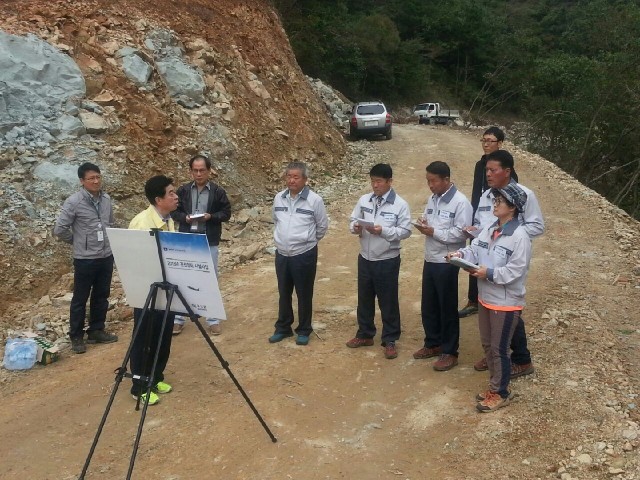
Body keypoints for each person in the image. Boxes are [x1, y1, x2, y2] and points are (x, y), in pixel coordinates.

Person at [448, 184, 532, 412]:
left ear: (513, 207)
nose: (495, 205)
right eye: (494, 201)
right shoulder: (489, 229)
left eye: (500, 202)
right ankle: (495, 386)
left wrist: (489, 273)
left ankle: (501, 392)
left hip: (505, 302)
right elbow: (475, 248)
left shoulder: (519, 236)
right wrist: (460, 255)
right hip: (486, 298)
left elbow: (516, 271)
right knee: (487, 345)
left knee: (499, 348)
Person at [465, 149, 544, 378]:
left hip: (508, 258)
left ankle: (521, 359)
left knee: (508, 307)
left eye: (493, 170)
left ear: (507, 171)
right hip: (486, 256)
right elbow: (482, 223)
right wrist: (481, 232)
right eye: (487, 170)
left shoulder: (524, 195)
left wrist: (509, 234)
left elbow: (537, 226)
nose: (488, 174)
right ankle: (494, 355)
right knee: (490, 306)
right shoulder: (487, 195)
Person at [346, 163, 412, 359]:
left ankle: (390, 339)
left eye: (379, 182)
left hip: (387, 259)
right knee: (364, 297)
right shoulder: (364, 200)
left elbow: (406, 231)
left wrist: (383, 231)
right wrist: (355, 227)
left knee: (388, 300)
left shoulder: (400, 204)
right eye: (373, 181)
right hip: (365, 257)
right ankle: (365, 333)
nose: (375, 186)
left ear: (389, 182)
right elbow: (352, 220)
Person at [413, 161, 472, 371]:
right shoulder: (433, 198)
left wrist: (434, 232)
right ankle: (433, 343)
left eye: (433, 181)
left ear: (446, 180)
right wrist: (424, 222)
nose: (430, 185)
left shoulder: (460, 202)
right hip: (430, 258)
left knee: (447, 306)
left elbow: (463, 233)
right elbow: (431, 219)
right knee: (429, 304)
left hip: (447, 260)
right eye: (428, 181)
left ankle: (450, 351)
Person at [54, 162, 118, 354]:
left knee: (101, 295)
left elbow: (111, 223)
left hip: (106, 256)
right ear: (82, 181)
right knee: (80, 298)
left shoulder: (106, 199)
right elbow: (59, 229)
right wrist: (78, 241)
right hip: (85, 259)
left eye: (98, 177)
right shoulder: (74, 202)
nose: (96, 181)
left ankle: (96, 330)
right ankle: (76, 336)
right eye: (91, 178)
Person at [128, 175, 179, 405]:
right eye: (171, 193)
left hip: (165, 291)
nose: (176, 196)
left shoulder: (168, 219)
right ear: (159, 199)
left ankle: (156, 377)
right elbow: (136, 263)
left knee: (163, 337)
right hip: (147, 293)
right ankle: (139, 386)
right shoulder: (141, 224)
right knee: (144, 339)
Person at [459, 126, 518, 318]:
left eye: (490, 140)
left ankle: (496, 299)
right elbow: (477, 193)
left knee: (495, 260)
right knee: (474, 255)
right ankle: (473, 299)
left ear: (500, 143)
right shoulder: (479, 165)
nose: (485, 144)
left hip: (498, 225)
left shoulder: (509, 174)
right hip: (480, 221)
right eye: (483, 140)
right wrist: (474, 220)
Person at [269, 162, 329, 346]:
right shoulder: (279, 198)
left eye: (296, 177)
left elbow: (322, 226)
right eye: (289, 176)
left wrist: (307, 241)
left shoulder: (314, 200)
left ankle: (303, 329)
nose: (292, 180)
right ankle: (283, 327)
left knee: (304, 293)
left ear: (305, 179)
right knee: (284, 292)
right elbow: (275, 220)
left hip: (304, 254)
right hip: (282, 254)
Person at [171, 154, 231, 336]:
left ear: (209, 170)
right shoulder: (182, 191)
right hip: (187, 240)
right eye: (195, 170)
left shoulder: (217, 191)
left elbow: (226, 212)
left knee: (210, 279)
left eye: (202, 170)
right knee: (182, 279)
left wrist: (210, 217)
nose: (198, 174)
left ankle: (213, 318)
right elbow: (175, 211)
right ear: (190, 171)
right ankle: (178, 319)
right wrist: (185, 218)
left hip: (208, 240)